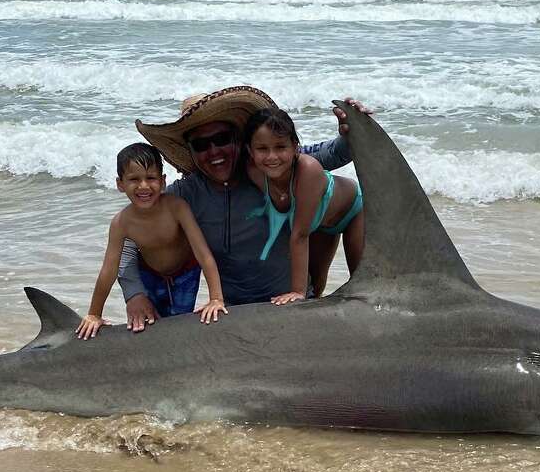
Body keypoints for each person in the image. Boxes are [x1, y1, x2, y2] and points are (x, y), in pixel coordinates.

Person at [119, 86, 368, 330]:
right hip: (233, 314)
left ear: (239, 139)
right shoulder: (185, 195)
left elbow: (334, 154)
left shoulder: (270, 166)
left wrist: (352, 130)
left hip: (291, 306)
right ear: (190, 151)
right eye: (201, 144)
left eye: (221, 138)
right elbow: (130, 238)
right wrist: (135, 294)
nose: (214, 151)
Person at [76, 142, 227, 340]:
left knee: (179, 323)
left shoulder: (177, 208)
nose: (144, 186)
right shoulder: (121, 223)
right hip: (150, 274)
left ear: (163, 181)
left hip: (185, 273)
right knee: (150, 324)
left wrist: (216, 298)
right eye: (134, 179)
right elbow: (108, 270)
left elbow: (202, 254)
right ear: (120, 184)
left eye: (151, 178)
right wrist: (94, 313)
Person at [241, 106, 364, 303]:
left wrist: (297, 292)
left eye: (280, 147)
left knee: (362, 287)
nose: (271, 157)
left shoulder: (308, 169)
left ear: (295, 147)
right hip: (319, 222)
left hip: (351, 211)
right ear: (249, 150)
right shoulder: (253, 172)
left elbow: (300, 235)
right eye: (262, 148)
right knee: (315, 288)